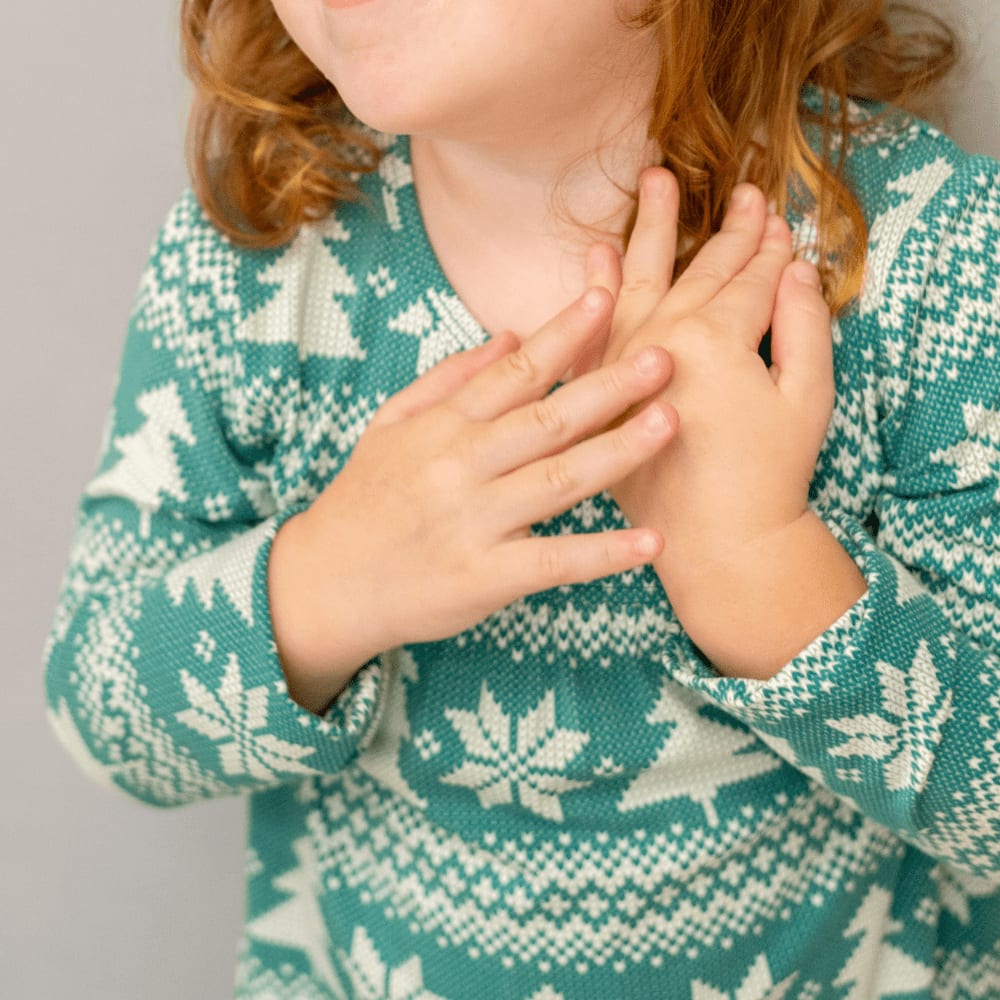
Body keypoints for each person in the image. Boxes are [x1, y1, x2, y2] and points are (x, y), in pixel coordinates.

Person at [43, 0, 1000, 996]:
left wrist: (756, 563)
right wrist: (323, 587)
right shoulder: (255, 255)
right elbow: (100, 711)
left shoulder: (932, 253)